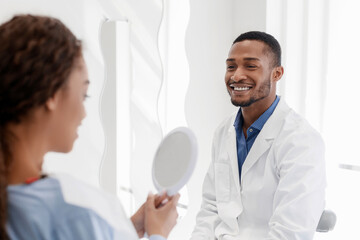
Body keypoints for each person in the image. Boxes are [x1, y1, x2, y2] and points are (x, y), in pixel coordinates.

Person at [0, 14, 180, 240]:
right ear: (52, 95)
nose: (84, 114)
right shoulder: (76, 208)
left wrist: (125, 228)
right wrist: (158, 233)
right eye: (84, 95)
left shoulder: (18, 207)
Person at [191, 31, 326, 239]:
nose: (236, 76)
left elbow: (290, 233)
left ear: (277, 73)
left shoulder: (301, 141)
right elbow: (210, 209)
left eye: (250, 66)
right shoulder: (224, 132)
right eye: (231, 66)